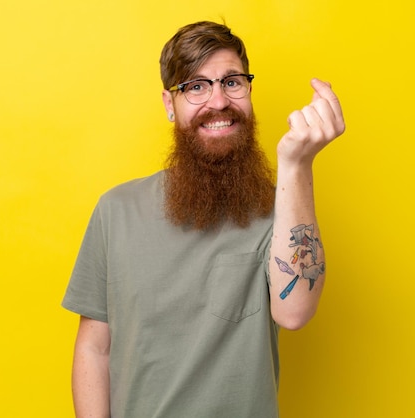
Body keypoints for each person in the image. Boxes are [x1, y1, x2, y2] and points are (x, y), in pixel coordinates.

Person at [62, 20, 345, 418]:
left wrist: (296, 165)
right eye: (195, 86)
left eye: (232, 82)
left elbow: (294, 311)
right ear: (168, 103)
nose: (218, 101)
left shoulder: (280, 212)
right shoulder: (116, 210)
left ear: (248, 91)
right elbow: (95, 347)